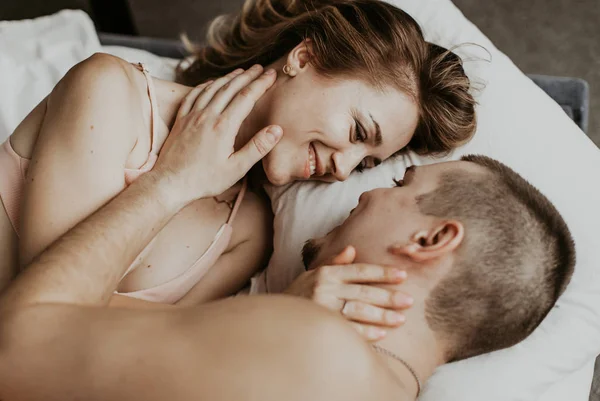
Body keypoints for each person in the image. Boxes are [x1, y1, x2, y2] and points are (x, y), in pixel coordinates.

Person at [0, 87, 574, 399]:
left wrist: (169, 185)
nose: (358, 190)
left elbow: (16, 349)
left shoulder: (313, 347)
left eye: (398, 182)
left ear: (431, 238)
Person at [0, 0, 477, 306]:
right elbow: (42, 317)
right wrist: (175, 181)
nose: (344, 169)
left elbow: (146, 346)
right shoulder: (109, 90)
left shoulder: (249, 231)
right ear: (304, 59)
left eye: (368, 163)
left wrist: (290, 309)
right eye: (357, 130)